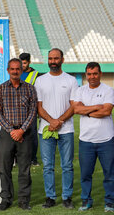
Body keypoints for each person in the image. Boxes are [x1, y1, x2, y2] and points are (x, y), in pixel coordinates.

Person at [35, 48, 78, 209]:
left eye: (56, 58)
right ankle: (50, 197)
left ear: (62, 59)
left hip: (66, 129)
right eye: (50, 58)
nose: (53, 61)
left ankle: (67, 197)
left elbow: (74, 106)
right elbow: (39, 107)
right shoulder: (40, 80)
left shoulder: (71, 80)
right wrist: (52, 121)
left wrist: (59, 121)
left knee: (67, 165)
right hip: (46, 130)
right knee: (48, 166)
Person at [0, 58, 37, 211]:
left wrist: (21, 130)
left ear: (21, 70)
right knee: (5, 169)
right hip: (7, 134)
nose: (15, 71)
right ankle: (6, 199)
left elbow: (33, 111)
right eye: (12, 69)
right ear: (8, 70)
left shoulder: (30, 88)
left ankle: (24, 200)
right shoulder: (0, 89)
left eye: (18, 69)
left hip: (24, 134)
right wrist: (12, 130)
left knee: (24, 169)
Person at [73, 62, 114, 212]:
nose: (92, 77)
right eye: (89, 74)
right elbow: (76, 109)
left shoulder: (108, 90)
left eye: (95, 73)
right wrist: (97, 106)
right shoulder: (80, 90)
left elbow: (106, 111)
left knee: (109, 173)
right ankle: (86, 201)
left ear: (100, 74)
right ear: (86, 75)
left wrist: (87, 111)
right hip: (86, 141)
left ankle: (109, 202)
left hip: (106, 139)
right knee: (85, 174)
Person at [19, 52, 40, 166]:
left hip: (31, 109)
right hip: (18, 110)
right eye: (21, 62)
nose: (22, 65)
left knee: (32, 135)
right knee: (19, 134)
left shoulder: (36, 74)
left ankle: (33, 158)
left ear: (29, 62)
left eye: (25, 63)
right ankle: (19, 158)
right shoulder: (16, 72)